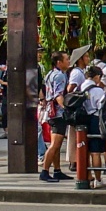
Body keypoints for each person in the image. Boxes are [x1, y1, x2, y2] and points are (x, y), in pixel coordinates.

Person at [39, 50, 70, 182]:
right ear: (59, 62)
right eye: (66, 59)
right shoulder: (60, 76)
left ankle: (57, 170)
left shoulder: (50, 74)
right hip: (57, 114)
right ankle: (45, 171)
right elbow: (58, 95)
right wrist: (66, 108)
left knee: (55, 144)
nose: (68, 61)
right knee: (55, 145)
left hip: (50, 112)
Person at [66, 43, 91, 169]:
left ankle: (76, 160)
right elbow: (70, 88)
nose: (88, 59)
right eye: (86, 57)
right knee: (75, 134)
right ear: (80, 59)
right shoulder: (77, 73)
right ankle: (74, 160)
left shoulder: (81, 72)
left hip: (80, 107)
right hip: (77, 108)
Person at [80, 64, 106, 186]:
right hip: (95, 119)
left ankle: (87, 176)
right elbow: (102, 107)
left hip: (84, 119)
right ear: (96, 76)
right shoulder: (98, 90)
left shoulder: (82, 86)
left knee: (85, 150)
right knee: (96, 152)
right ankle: (98, 180)